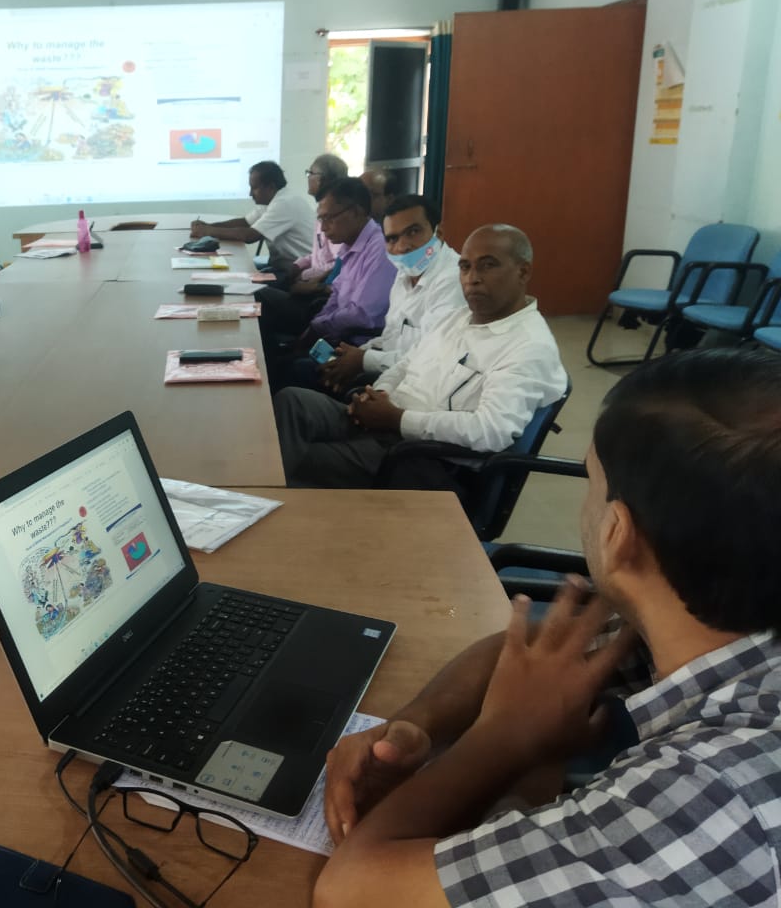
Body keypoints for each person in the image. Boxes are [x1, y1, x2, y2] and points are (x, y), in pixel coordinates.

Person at [314, 348, 781, 908]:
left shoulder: (708, 796)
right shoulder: (725, 622)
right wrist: (415, 726)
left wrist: (505, 740)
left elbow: (350, 890)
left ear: (618, 533)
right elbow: (531, 654)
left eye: (591, 482)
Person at [274, 223, 565, 488]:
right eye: (465, 267)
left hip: (419, 459)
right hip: (388, 423)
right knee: (293, 401)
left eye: (488, 266)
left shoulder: (529, 347)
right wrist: (379, 395)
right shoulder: (458, 318)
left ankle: (269, 501)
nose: (472, 278)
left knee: (297, 459)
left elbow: (491, 431)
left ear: (523, 272)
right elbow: (406, 364)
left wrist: (398, 419)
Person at [319, 194, 466, 396]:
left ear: (438, 233)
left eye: (413, 232)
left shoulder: (453, 280)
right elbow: (391, 337)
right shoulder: (405, 271)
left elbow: (431, 357)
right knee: (314, 370)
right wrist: (357, 353)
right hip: (390, 372)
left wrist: (363, 360)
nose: (403, 246)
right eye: (392, 239)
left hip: (421, 387)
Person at [259, 177, 395, 349]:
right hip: (337, 333)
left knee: (263, 300)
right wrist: (315, 327)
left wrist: (318, 328)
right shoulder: (349, 245)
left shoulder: (380, 249)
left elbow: (362, 315)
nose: (323, 228)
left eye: (328, 218)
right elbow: (335, 298)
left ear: (356, 212)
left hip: (357, 346)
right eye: (321, 219)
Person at [189, 161, 314, 265]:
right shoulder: (273, 200)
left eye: (254, 188)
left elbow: (249, 236)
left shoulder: (285, 203)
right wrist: (208, 226)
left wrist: (208, 231)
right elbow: (245, 222)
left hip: (303, 269)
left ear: (270, 187)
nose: (250, 194)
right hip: (285, 264)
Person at [276, 153, 348, 286]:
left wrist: (304, 274)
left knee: (263, 293)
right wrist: (298, 265)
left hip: (323, 287)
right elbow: (319, 256)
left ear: (324, 179)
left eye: (310, 173)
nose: (308, 177)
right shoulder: (321, 210)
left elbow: (338, 264)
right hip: (311, 278)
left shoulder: (334, 216)